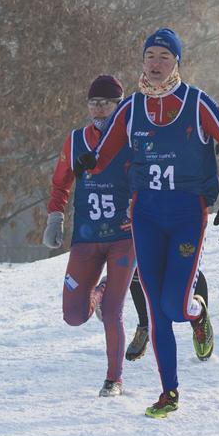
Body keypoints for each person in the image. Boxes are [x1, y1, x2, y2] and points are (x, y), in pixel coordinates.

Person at [75, 28, 219, 418]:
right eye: (150, 56)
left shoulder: (196, 101)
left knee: (175, 305)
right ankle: (169, 393)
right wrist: (89, 163)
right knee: (155, 310)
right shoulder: (131, 107)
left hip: (187, 214)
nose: (155, 64)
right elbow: (103, 155)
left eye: (163, 57)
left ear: (176, 63)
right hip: (146, 215)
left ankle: (198, 314)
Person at [43, 75, 134, 397]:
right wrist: (55, 217)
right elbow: (60, 182)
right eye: (93, 102)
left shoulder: (132, 136)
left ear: (119, 105)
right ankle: (103, 288)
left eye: (106, 103)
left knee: (113, 311)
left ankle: (114, 379)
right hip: (86, 236)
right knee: (74, 315)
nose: (98, 109)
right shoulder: (76, 139)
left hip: (124, 237)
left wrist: (137, 208)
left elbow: (150, 179)